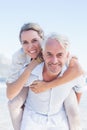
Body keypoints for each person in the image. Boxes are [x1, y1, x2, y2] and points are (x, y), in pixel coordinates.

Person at [6, 23, 84, 130]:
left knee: (73, 107)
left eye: (34, 40)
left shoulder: (56, 47)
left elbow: (79, 73)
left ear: (42, 39)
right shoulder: (19, 58)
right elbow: (10, 94)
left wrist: (47, 86)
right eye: (25, 42)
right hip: (28, 81)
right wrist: (31, 67)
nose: (30, 46)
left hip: (58, 96)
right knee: (13, 104)